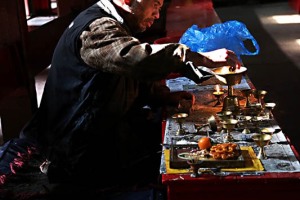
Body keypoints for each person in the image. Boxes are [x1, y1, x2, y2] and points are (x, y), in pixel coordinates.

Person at [19, 0, 241, 193]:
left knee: (185, 144)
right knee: (185, 166)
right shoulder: (96, 28)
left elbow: (124, 76)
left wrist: (160, 96)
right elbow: (136, 60)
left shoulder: (115, 23)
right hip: (76, 146)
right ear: (127, 0)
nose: (157, 15)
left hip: (101, 129)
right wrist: (198, 58)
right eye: (155, 5)